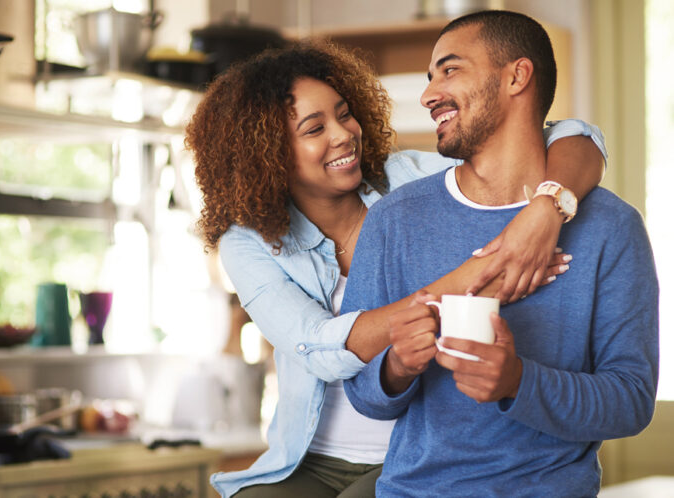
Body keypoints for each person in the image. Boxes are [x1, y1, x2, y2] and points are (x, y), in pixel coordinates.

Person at [184, 40, 607, 497]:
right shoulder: (247, 242)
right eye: (314, 129)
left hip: (413, 454)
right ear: (266, 153)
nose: (343, 134)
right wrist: (481, 276)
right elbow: (322, 349)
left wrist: (545, 210)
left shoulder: (408, 178)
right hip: (308, 460)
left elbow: (576, 135)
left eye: (344, 114)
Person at [342, 10, 658, 497]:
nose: (428, 95)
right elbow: (363, 392)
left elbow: (631, 402)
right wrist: (396, 367)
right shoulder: (394, 219)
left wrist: (517, 381)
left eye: (450, 70)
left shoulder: (612, 228)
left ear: (517, 76)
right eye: (430, 77)